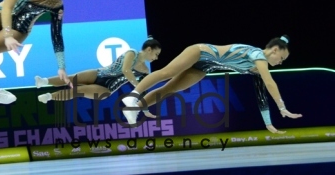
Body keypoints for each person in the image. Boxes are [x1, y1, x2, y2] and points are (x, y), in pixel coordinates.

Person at [121, 35, 303, 133]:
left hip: (205, 66)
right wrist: (282, 107)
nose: (281, 62)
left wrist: (268, 124)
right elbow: (270, 82)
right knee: (167, 73)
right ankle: (133, 96)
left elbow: (261, 92)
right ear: (274, 49)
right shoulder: (258, 55)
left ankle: (133, 109)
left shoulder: (256, 67)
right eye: (282, 58)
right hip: (200, 52)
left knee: (170, 89)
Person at [36, 36, 161, 115]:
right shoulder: (132, 53)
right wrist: (137, 86)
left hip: (106, 89)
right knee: (72, 79)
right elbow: (126, 70)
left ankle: (49, 96)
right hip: (100, 73)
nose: (156, 58)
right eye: (156, 54)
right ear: (149, 49)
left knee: (78, 90)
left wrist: (144, 109)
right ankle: (44, 81)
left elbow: (143, 91)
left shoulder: (145, 70)